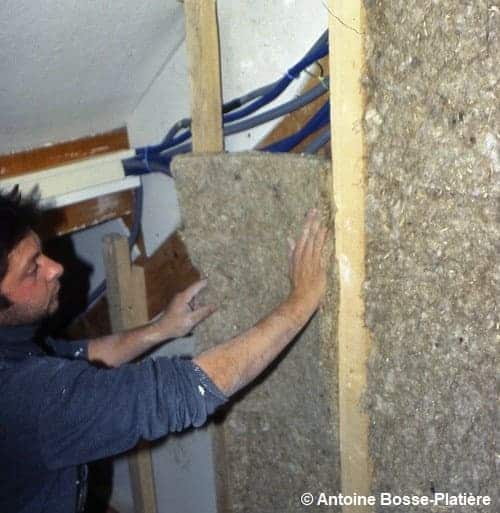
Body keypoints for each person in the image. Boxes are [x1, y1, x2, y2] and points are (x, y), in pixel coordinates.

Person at [0, 187, 329, 513]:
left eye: (40, 252)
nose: (54, 267)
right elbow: (185, 390)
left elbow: (77, 355)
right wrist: (302, 300)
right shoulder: (26, 399)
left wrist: (162, 328)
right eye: (32, 269)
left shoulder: (12, 344)